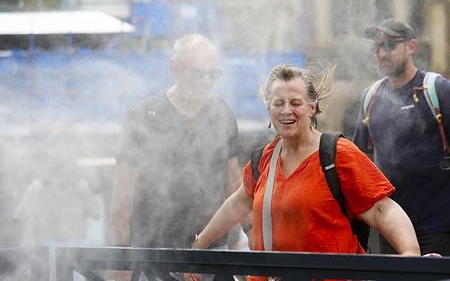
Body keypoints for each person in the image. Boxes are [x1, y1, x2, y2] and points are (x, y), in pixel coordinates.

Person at [185, 63, 421, 281]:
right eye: (278, 103)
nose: (286, 111)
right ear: (269, 108)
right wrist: (199, 246)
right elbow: (237, 204)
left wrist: (410, 254)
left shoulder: (337, 154)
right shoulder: (263, 159)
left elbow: (382, 209)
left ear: (312, 107)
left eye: (295, 103)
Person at [110, 34, 251, 281]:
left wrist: (252, 233)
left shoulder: (223, 114)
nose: (207, 81)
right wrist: (121, 254)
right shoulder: (144, 116)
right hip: (153, 254)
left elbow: (234, 184)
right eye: (198, 73)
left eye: (213, 74)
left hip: (212, 252)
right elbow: (123, 193)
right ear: (174, 68)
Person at [352, 18, 450, 256]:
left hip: (437, 229)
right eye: (376, 47)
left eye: (389, 45)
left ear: (411, 46)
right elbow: (357, 162)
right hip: (390, 231)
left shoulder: (437, 90)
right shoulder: (371, 97)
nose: (381, 53)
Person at [13, 144, 100, 281]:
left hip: (44, 250)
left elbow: (21, 216)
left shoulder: (37, 186)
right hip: (75, 249)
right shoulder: (80, 186)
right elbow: (96, 214)